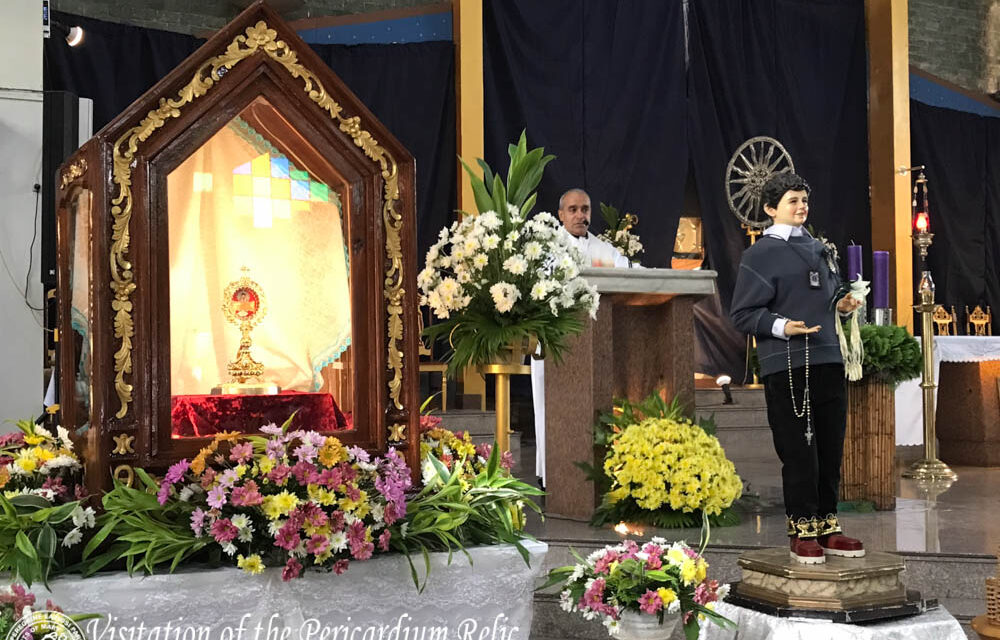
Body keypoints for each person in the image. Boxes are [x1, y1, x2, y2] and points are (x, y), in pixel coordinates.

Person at [730, 172, 864, 565]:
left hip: (827, 358)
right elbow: (742, 314)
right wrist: (782, 327)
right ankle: (802, 530)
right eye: (793, 200)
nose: (802, 206)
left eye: (804, 199)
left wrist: (841, 305)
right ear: (771, 209)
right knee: (799, 450)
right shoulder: (759, 255)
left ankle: (828, 527)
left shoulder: (820, 249)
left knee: (830, 447)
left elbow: (828, 295)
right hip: (788, 363)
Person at [532, 188, 630, 488]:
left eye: (585, 209)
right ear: (561, 215)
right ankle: (552, 474)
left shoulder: (605, 252)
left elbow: (629, 275)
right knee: (551, 409)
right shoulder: (545, 250)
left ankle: (595, 475)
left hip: (596, 343)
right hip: (555, 342)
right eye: (573, 210)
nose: (580, 216)